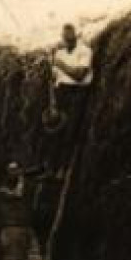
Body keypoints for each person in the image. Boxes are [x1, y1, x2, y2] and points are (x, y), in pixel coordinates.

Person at [44, 23, 95, 170]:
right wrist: (53, 101)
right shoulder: (59, 53)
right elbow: (54, 80)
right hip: (62, 93)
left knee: (70, 131)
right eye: (65, 37)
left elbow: (80, 75)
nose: (67, 39)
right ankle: (52, 167)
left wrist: (59, 64)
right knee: (55, 130)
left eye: (70, 36)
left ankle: (64, 168)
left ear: (76, 36)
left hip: (77, 93)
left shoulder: (85, 51)